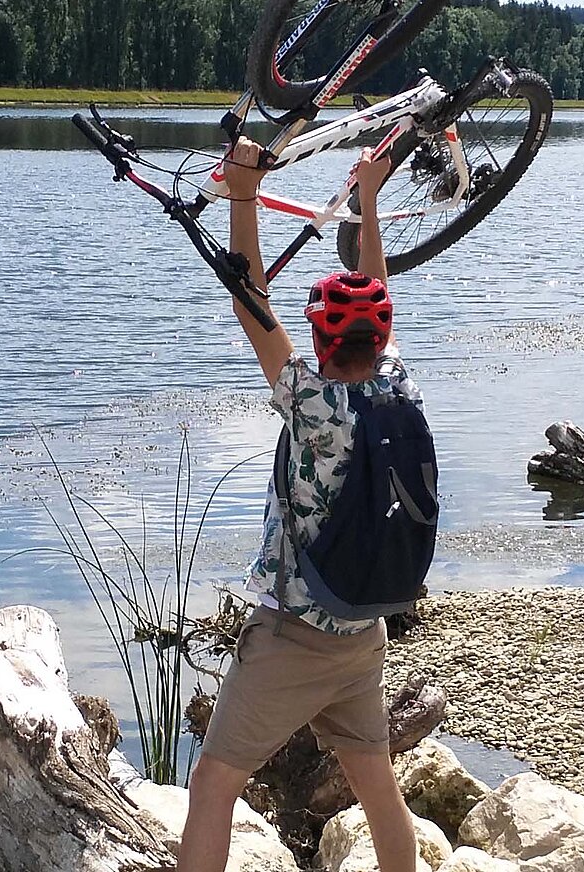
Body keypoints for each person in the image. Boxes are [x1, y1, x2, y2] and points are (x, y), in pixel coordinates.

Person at [172, 139, 424, 872]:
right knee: (376, 788)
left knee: (213, 783)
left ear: (318, 338)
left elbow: (246, 293)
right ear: (380, 337)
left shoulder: (313, 403)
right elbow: (376, 285)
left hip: (295, 636)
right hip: (363, 628)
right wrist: (369, 196)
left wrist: (245, 195)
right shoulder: (398, 386)